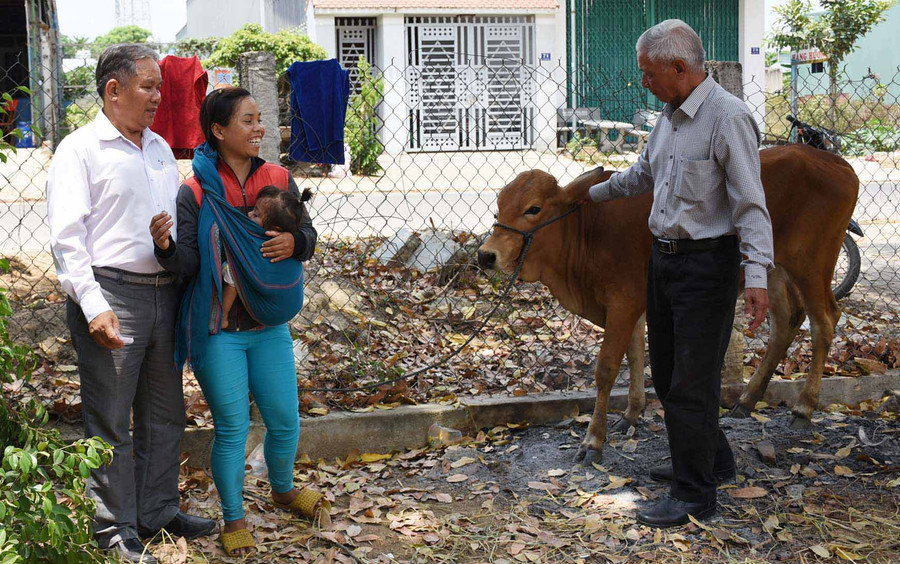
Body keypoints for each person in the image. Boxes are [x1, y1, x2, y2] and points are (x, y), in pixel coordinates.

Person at [588, 20, 775, 527]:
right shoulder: (667, 118)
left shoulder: (726, 118)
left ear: (679, 68)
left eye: (649, 73)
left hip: (706, 265)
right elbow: (644, 174)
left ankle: (695, 496)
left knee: (692, 382)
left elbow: (750, 205)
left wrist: (755, 274)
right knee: (670, 378)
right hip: (663, 259)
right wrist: (588, 194)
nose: (642, 81)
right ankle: (712, 460)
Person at [47, 44, 217, 564]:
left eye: (159, 87)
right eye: (147, 87)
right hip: (111, 294)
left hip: (164, 294)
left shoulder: (160, 148)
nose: (157, 97)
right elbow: (67, 239)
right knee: (112, 421)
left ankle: (157, 510)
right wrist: (94, 304)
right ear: (113, 90)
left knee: (166, 413)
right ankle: (114, 529)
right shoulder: (80, 150)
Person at [149, 87, 324, 557]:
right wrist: (164, 248)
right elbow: (186, 261)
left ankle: (283, 489)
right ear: (218, 130)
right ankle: (234, 516)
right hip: (220, 329)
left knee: (285, 420)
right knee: (231, 427)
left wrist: (297, 244)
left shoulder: (278, 175)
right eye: (247, 121)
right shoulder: (197, 189)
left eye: (259, 119)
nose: (259, 128)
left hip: (269, 324)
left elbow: (305, 231)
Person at [221, 186, 312, 328]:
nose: (249, 214)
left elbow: (309, 234)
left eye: (256, 215)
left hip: (268, 313)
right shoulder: (290, 234)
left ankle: (223, 316)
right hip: (291, 308)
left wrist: (298, 241)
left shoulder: (264, 246)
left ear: (276, 228)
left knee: (231, 268)